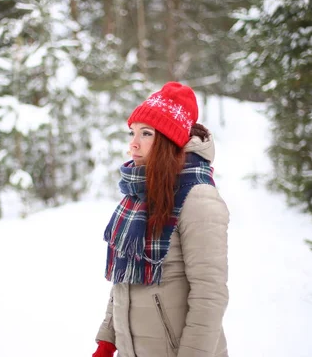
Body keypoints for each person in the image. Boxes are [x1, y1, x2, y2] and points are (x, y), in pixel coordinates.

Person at [92, 82, 230, 357]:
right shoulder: (143, 190)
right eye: (132, 132)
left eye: (146, 133)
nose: (133, 143)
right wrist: (108, 340)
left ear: (168, 139)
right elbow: (126, 276)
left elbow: (210, 295)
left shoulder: (198, 196)